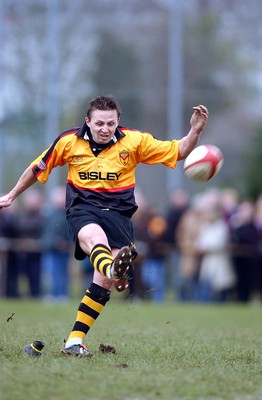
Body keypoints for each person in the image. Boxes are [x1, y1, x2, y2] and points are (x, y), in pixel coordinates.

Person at [0, 95, 208, 356]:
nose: (104, 129)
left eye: (110, 123)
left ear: (118, 121)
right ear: (87, 121)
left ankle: (74, 340)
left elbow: (179, 151)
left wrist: (195, 131)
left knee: (102, 283)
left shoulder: (134, 141)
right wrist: (11, 195)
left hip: (120, 217)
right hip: (82, 209)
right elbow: (37, 167)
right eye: (99, 123)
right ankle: (113, 268)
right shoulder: (69, 141)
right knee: (94, 238)